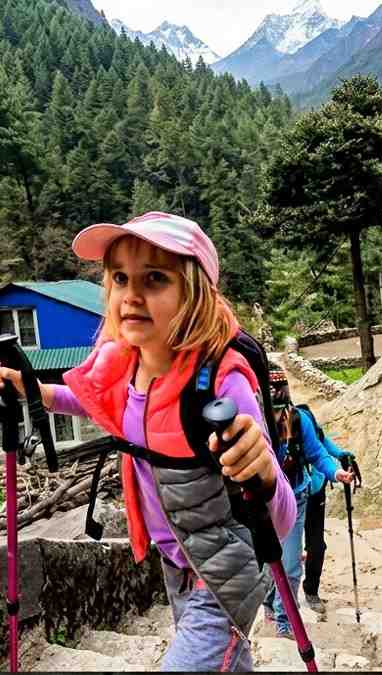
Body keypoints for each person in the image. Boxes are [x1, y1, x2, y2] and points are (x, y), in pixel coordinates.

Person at [0, 212, 296, 671]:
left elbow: (279, 517)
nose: (131, 295)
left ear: (194, 293)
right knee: (225, 660)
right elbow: (97, 402)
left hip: (222, 569)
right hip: (174, 559)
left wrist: (262, 469)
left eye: (155, 278)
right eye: (120, 278)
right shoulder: (125, 364)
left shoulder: (221, 382)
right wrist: (36, 393)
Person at [262, 369, 354, 633]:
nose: (278, 417)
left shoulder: (299, 420)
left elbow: (317, 453)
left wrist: (336, 472)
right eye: (273, 411)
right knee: (267, 562)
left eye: (281, 410)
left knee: (291, 565)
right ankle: (269, 602)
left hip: (295, 499)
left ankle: (284, 621)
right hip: (264, 502)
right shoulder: (255, 421)